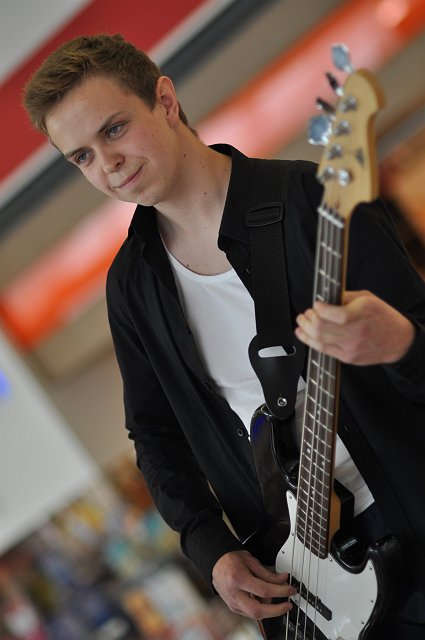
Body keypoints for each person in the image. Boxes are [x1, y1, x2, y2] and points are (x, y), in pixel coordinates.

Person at [23, 34, 425, 638]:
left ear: (165, 100)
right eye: (81, 156)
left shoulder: (310, 200)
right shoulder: (133, 285)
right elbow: (155, 436)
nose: (107, 164)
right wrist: (210, 548)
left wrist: (402, 344)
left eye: (114, 129)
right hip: (306, 583)